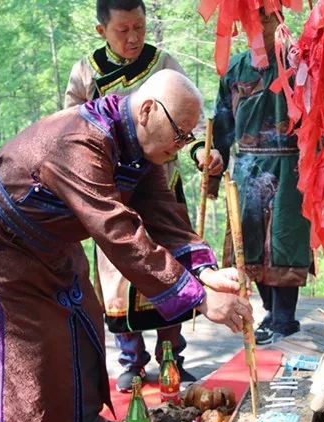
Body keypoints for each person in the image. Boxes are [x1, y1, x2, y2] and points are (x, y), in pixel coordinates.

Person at [0, 69, 252, 422]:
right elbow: (118, 231)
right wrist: (200, 300)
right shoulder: (81, 140)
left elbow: (163, 215)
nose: (182, 145)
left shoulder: (140, 144)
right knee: (36, 344)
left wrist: (205, 271)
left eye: (188, 137)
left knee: (82, 321)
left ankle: (81, 420)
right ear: (148, 109)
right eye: (179, 134)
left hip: (52, 237)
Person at [65, 0, 223, 392]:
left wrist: (201, 149)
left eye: (139, 27)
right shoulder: (87, 71)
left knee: (172, 261)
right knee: (120, 278)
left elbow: (192, 118)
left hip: (161, 187)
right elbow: (71, 125)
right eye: (123, 30)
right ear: (102, 30)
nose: (134, 38)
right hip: (111, 193)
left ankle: (172, 356)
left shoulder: (163, 62)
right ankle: (130, 361)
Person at [195, 8, 313, 346]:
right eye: (253, 19)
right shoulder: (236, 69)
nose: (260, 25)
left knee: (285, 239)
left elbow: (316, 119)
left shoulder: (299, 62)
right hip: (247, 169)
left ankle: (285, 318)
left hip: (291, 166)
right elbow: (221, 127)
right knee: (250, 243)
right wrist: (214, 162)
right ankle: (270, 313)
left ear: (280, 19)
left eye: (266, 17)